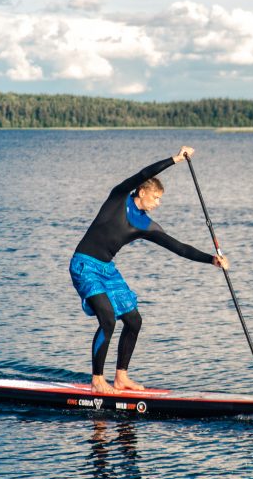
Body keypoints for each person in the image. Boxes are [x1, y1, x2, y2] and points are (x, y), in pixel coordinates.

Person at [69, 146, 228, 394]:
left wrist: (212, 260)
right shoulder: (117, 199)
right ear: (142, 192)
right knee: (108, 319)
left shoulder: (145, 225)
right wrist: (175, 160)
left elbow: (179, 247)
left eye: (160, 200)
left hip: (107, 269)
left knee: (134, 321)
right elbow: (142, 172)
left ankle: (121, 377)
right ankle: (97, 380)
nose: (158, 203)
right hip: (84, 265)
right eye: (155, 198)